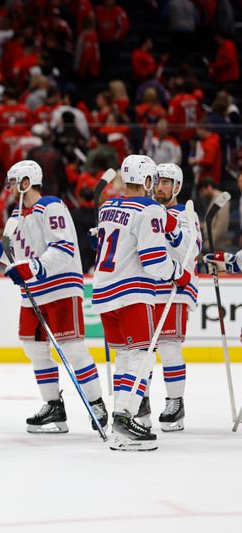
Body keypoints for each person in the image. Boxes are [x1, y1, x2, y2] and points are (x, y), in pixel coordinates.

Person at [0, 160, 108, 434]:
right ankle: (54, 406)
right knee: (34, 349)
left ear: (26, 182)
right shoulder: (15, 216)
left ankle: (97, 403)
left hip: (60, 287)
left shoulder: (51, 206)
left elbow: (63, 248)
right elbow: (13, 255)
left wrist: (34, 267)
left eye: (12, 182)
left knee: (73, 349)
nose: (8, 188)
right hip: (33, 292)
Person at [92, 154, 192, 451]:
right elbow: (153, 261)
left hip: (102, 292)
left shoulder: (108, 206)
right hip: (131, 292)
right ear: (147, 181)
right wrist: (177, 273)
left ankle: (121, 421)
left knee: (125, 357)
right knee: (143, 356)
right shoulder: (149, 209)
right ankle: (125, 419)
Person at [139, 163, 198, 432]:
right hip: (148, 290)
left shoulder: (184, 212)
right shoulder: (147, 211)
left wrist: (173, 228)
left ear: (176, 187)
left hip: (174, 289)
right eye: (157, 181)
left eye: (165, 182)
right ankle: (141, 402)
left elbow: (190, 248)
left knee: (169, 346)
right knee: (141, 350)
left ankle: (176, 403)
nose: (159, 187)